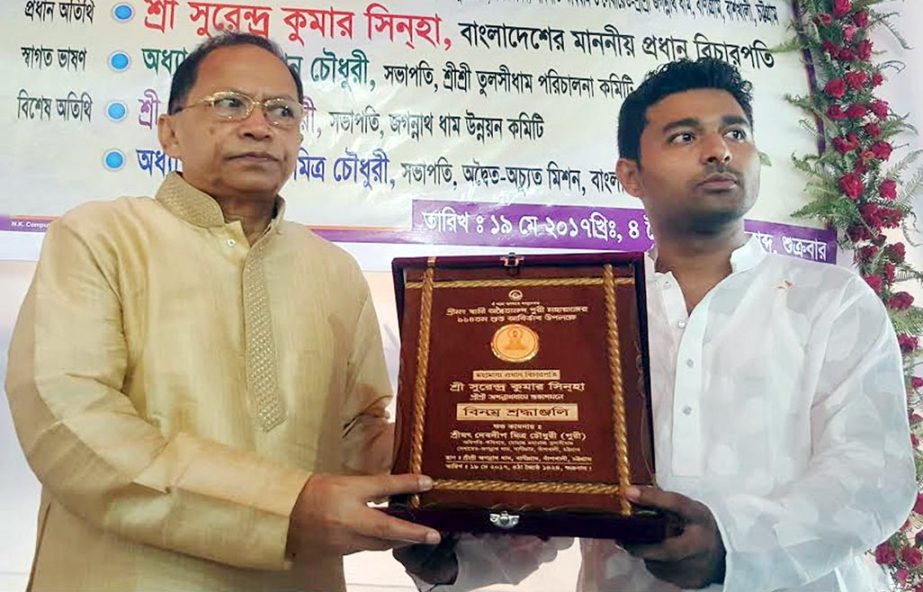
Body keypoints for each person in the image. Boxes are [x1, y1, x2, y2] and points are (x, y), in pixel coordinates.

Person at [398, 58, 916, 591]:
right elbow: (556, 485)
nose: (719, 151)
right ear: (631, 175)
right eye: (684, 136)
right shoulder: (583, 312)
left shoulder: (830, 300)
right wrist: (458, 562)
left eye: (735, 133)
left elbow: (871, 477)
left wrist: (730, 545)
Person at [4, 32, 442, 592]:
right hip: (129, 576)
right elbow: (71, 423)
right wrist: (286, 508)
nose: (260, 127)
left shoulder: (333, 269)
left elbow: (355, 435)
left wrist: (481, 448)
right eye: (230, 104)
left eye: (283, 112)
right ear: (169, 131)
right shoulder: (100, 236)